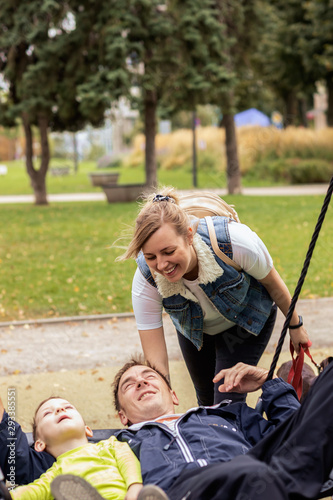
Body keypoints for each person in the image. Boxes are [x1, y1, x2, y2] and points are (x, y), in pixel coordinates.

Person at [118, 186, 310, 405]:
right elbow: (156, 358)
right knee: (207, 402)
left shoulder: (234, 242)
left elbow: (273, 284)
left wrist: (296, 327)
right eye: (151, 256)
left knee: (226, 401)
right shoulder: (146, 278)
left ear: (189, 235)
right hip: (197, 331)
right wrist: (162, 405)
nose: (161, 265)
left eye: (169, 252)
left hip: (244, 321)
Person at [112, 356, 333, 500]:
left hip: (256, 482)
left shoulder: (228, 414)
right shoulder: (118, 444)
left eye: (149, 377)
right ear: (122, 416)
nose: (141, 383)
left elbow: (295, 437)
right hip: (183, 492)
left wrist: (270, 380)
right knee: (252, 471)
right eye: (129, 385)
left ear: (173, 395)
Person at [8, 397, 143, 500]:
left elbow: (128, 462)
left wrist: (135, 487)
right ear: (39, 444)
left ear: (87, 430)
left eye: (68, 407)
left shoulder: (111, 445)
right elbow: (34, 491)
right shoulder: (56, 473)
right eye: (47, 413)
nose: (60, 410)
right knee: (61, 486)